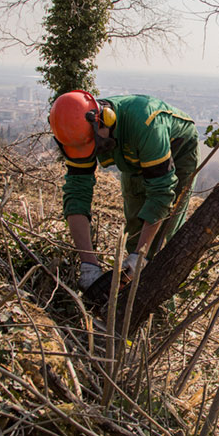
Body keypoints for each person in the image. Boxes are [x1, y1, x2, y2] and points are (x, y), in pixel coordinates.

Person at [49, 90, 199, 291]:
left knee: (161, 236)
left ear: (104, 120)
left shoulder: (147, 123)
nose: (93, 152)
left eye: (94, 144)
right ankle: (127, 288)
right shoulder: (78, 134)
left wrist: (141, 254)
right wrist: (88, 264)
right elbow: (77, 194)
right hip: (132, 153)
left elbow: (161, 193)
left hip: (177, 151)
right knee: (136, 226)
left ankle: (158, 303)